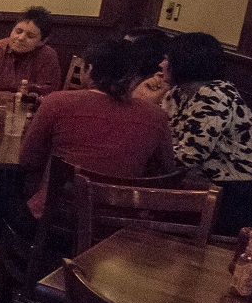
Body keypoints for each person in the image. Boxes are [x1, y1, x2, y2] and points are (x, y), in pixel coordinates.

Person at [17, 37, 176, 220]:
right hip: (120, 224)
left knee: (4, 187)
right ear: (134, 76)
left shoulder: (58, 102)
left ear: (90, 69)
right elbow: (166, 171)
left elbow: (28, 160)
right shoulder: (157, 116)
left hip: (58, 216)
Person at [161, 32, 252, 235]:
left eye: (167, 59)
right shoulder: (177, 93)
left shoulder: (215, 95)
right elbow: (165, 136)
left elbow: (190, 156)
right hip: (205, 186)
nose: (161, 64)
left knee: (159, 213)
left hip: (241, 194)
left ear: (186, 62)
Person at [0, 5, 61, 97]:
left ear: (42, 41)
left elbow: (48, 95)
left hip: (31, 110)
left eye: (30, 36)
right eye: (18, 31)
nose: (21, 38)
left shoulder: (48, 56)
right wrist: (19, 97)